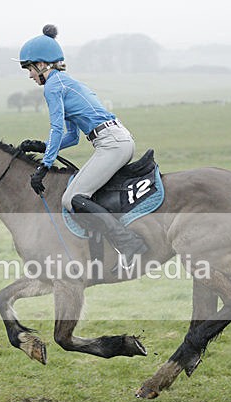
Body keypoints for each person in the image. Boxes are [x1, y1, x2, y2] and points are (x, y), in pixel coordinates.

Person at [16, 24, 148, 268]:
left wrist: (44, 166)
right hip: (117, 140)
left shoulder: (53, 87)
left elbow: (57, 129)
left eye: (30, 69)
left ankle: (129, 245)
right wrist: (43, 147)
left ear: (42, 64)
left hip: (111, 144)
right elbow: (72, 137)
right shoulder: (64, 82)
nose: (30, 75)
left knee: (72, 198)